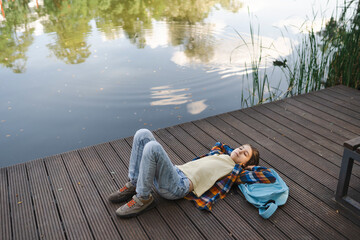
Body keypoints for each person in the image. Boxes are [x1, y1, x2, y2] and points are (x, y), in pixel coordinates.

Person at [108, 129, 276, 218]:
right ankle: (134, 183)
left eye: (244, 154)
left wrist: (248, 168)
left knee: (153, 147)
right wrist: (234, 152)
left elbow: (269, 176)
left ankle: (143, 198)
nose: (239, 151)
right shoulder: (219, 154)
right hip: (174, 172)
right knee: (142, 134)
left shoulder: (236, 172)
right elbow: (220, 144)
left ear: (247, 165)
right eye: (240, 148)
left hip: (178, 186)